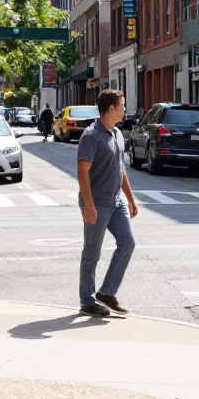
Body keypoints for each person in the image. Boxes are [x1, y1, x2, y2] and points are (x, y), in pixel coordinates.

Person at [76, 89, 139, 317]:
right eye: (122, 105)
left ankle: (106, 292)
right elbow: (83, 172)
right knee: (92, 253)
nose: (124, 109)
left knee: (128, 243)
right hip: (97, 202)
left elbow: (121, 170)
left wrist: (130, 199)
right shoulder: (91, 135)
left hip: (116, 201)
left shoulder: (117, 134)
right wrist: (89, 205)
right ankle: (87, 300)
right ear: (111, 108)